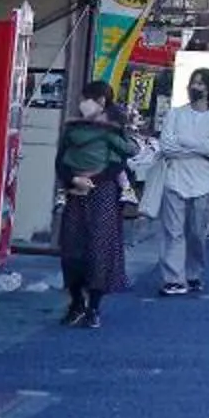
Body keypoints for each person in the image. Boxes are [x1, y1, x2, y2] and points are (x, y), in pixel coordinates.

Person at [53, 84, 133, 328]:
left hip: (98, 193)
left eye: (87, 99)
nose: (83, 103)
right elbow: (61, 160)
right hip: (85, 192)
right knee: (75, 249)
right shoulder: (75, 129)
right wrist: (76, 180)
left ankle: (89, 306)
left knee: (94, 249)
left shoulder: (109, 127)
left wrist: (84, 180)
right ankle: (80, 304)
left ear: (100, 101)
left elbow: (117, 163)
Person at [153, 68, 209, 297]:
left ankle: (193, 273)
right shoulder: (175, 114)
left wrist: (183, 142)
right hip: (174, 179)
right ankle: (173, 279)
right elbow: (166, 146)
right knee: (173, 232)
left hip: (202, 183)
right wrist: (197, 147)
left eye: (200, 84)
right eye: (192, 83)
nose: (194, 88)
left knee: (197, 233)